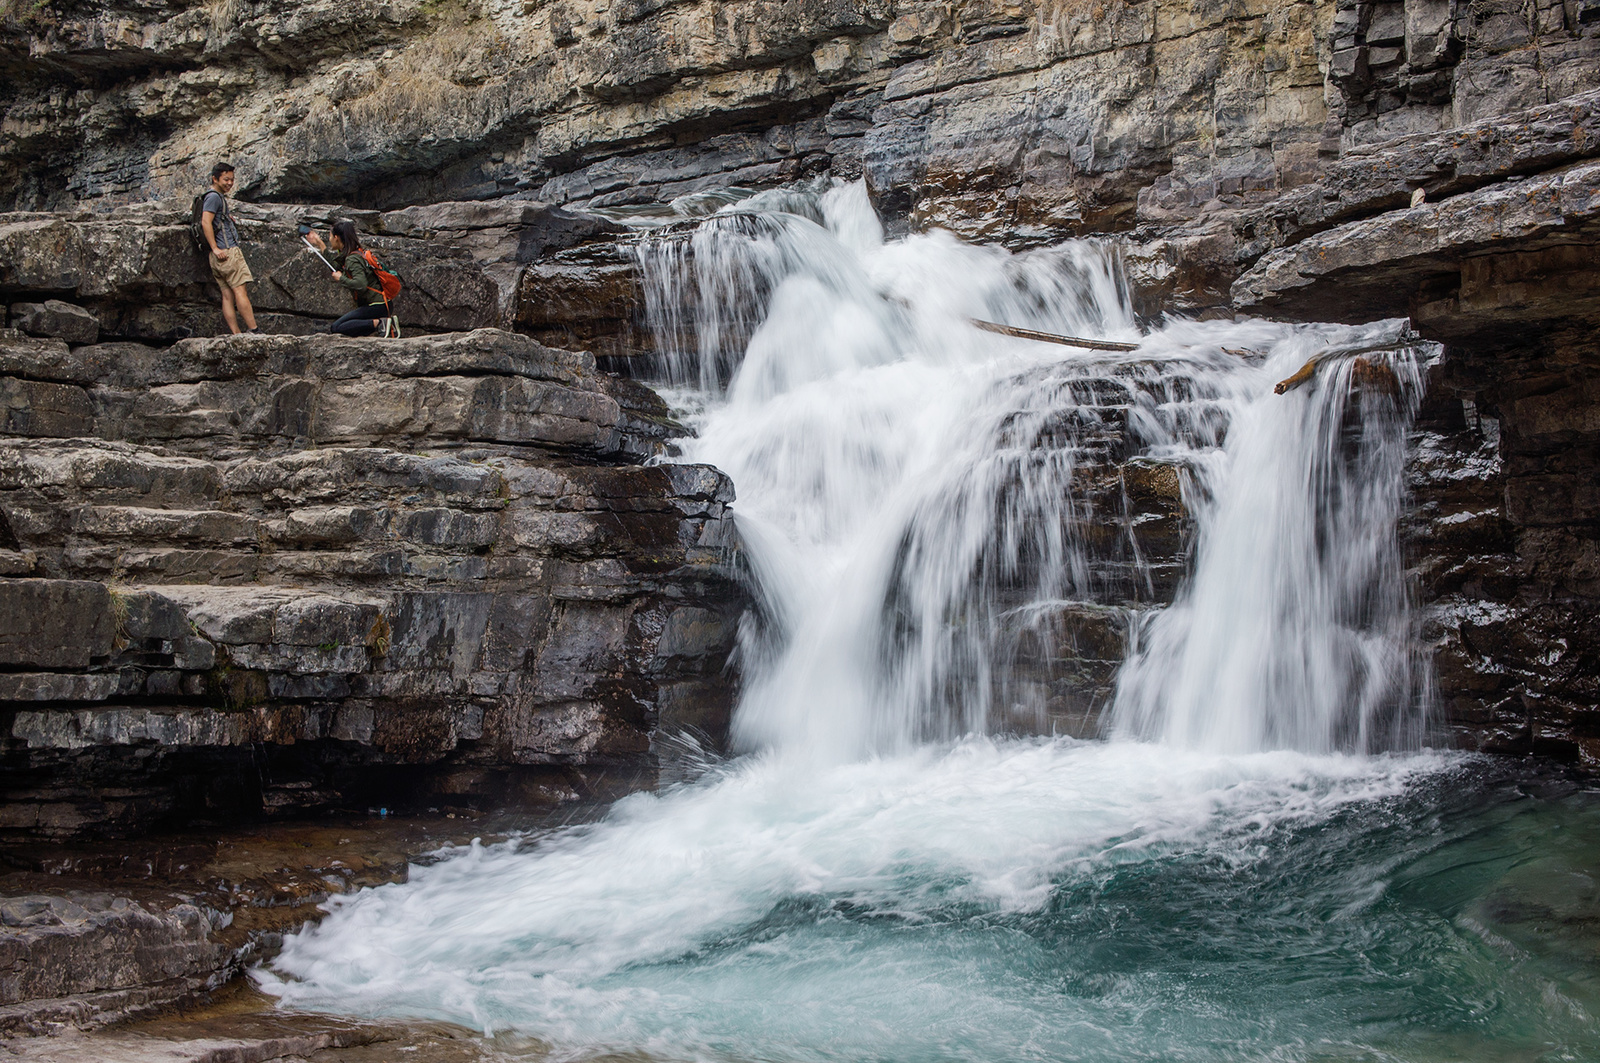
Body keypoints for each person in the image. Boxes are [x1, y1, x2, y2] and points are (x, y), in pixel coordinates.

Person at [304, 220, 394, 336]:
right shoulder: (353, 253)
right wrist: (320, 244)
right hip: (381, 305)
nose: (330, 239)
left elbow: (360, 284)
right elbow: (336, 268)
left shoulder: (352, 259)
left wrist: (341, 279)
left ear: (336, 237)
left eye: (330, 236)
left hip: (378, 306)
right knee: (351, 328)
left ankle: (381, 323)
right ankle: (382, 324)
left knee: (337, 327)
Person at [200, 162, 261, 335]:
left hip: (218, 256)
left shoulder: (211, 197)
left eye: (232, 180)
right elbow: (206, 222)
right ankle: (253, 330)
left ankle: (237, 334)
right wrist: (215, 247)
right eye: (226, 179)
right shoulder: (214, 197)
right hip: (226, 252)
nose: (229, 183)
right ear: (215, 178)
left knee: (227, 295)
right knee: (240, 291)